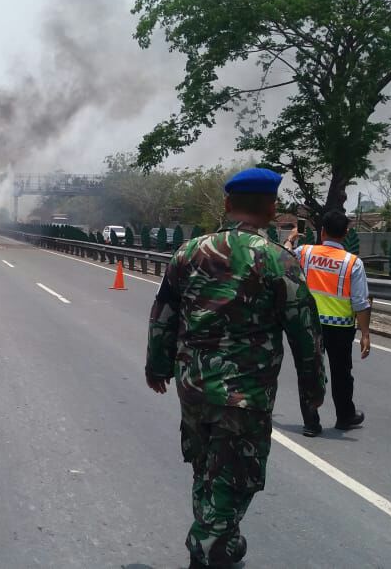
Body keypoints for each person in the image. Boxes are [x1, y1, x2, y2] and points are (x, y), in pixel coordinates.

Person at [146, 168, 326, 569]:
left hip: (192, 387)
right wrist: (313, 389)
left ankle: (222, 544)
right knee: (234, 477)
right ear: (272, 207)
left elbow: (163, 313)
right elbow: (304, 331)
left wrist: (156, 365)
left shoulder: (188, 252)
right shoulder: (278, 260)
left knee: (207, 470)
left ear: (228, 205)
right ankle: (208, 551)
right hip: (244, 394)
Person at [285, 210, 370, 436]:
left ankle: (311, 423)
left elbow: (283, 255)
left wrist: (292, 237)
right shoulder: (354, 263)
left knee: (309, 371)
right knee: (341, 372)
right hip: (340, 327)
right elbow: (360, 302)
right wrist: (366, 334)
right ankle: (345, 416)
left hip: (309, 323)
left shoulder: (305, 252)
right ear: (346, 234)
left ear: (322, 231)